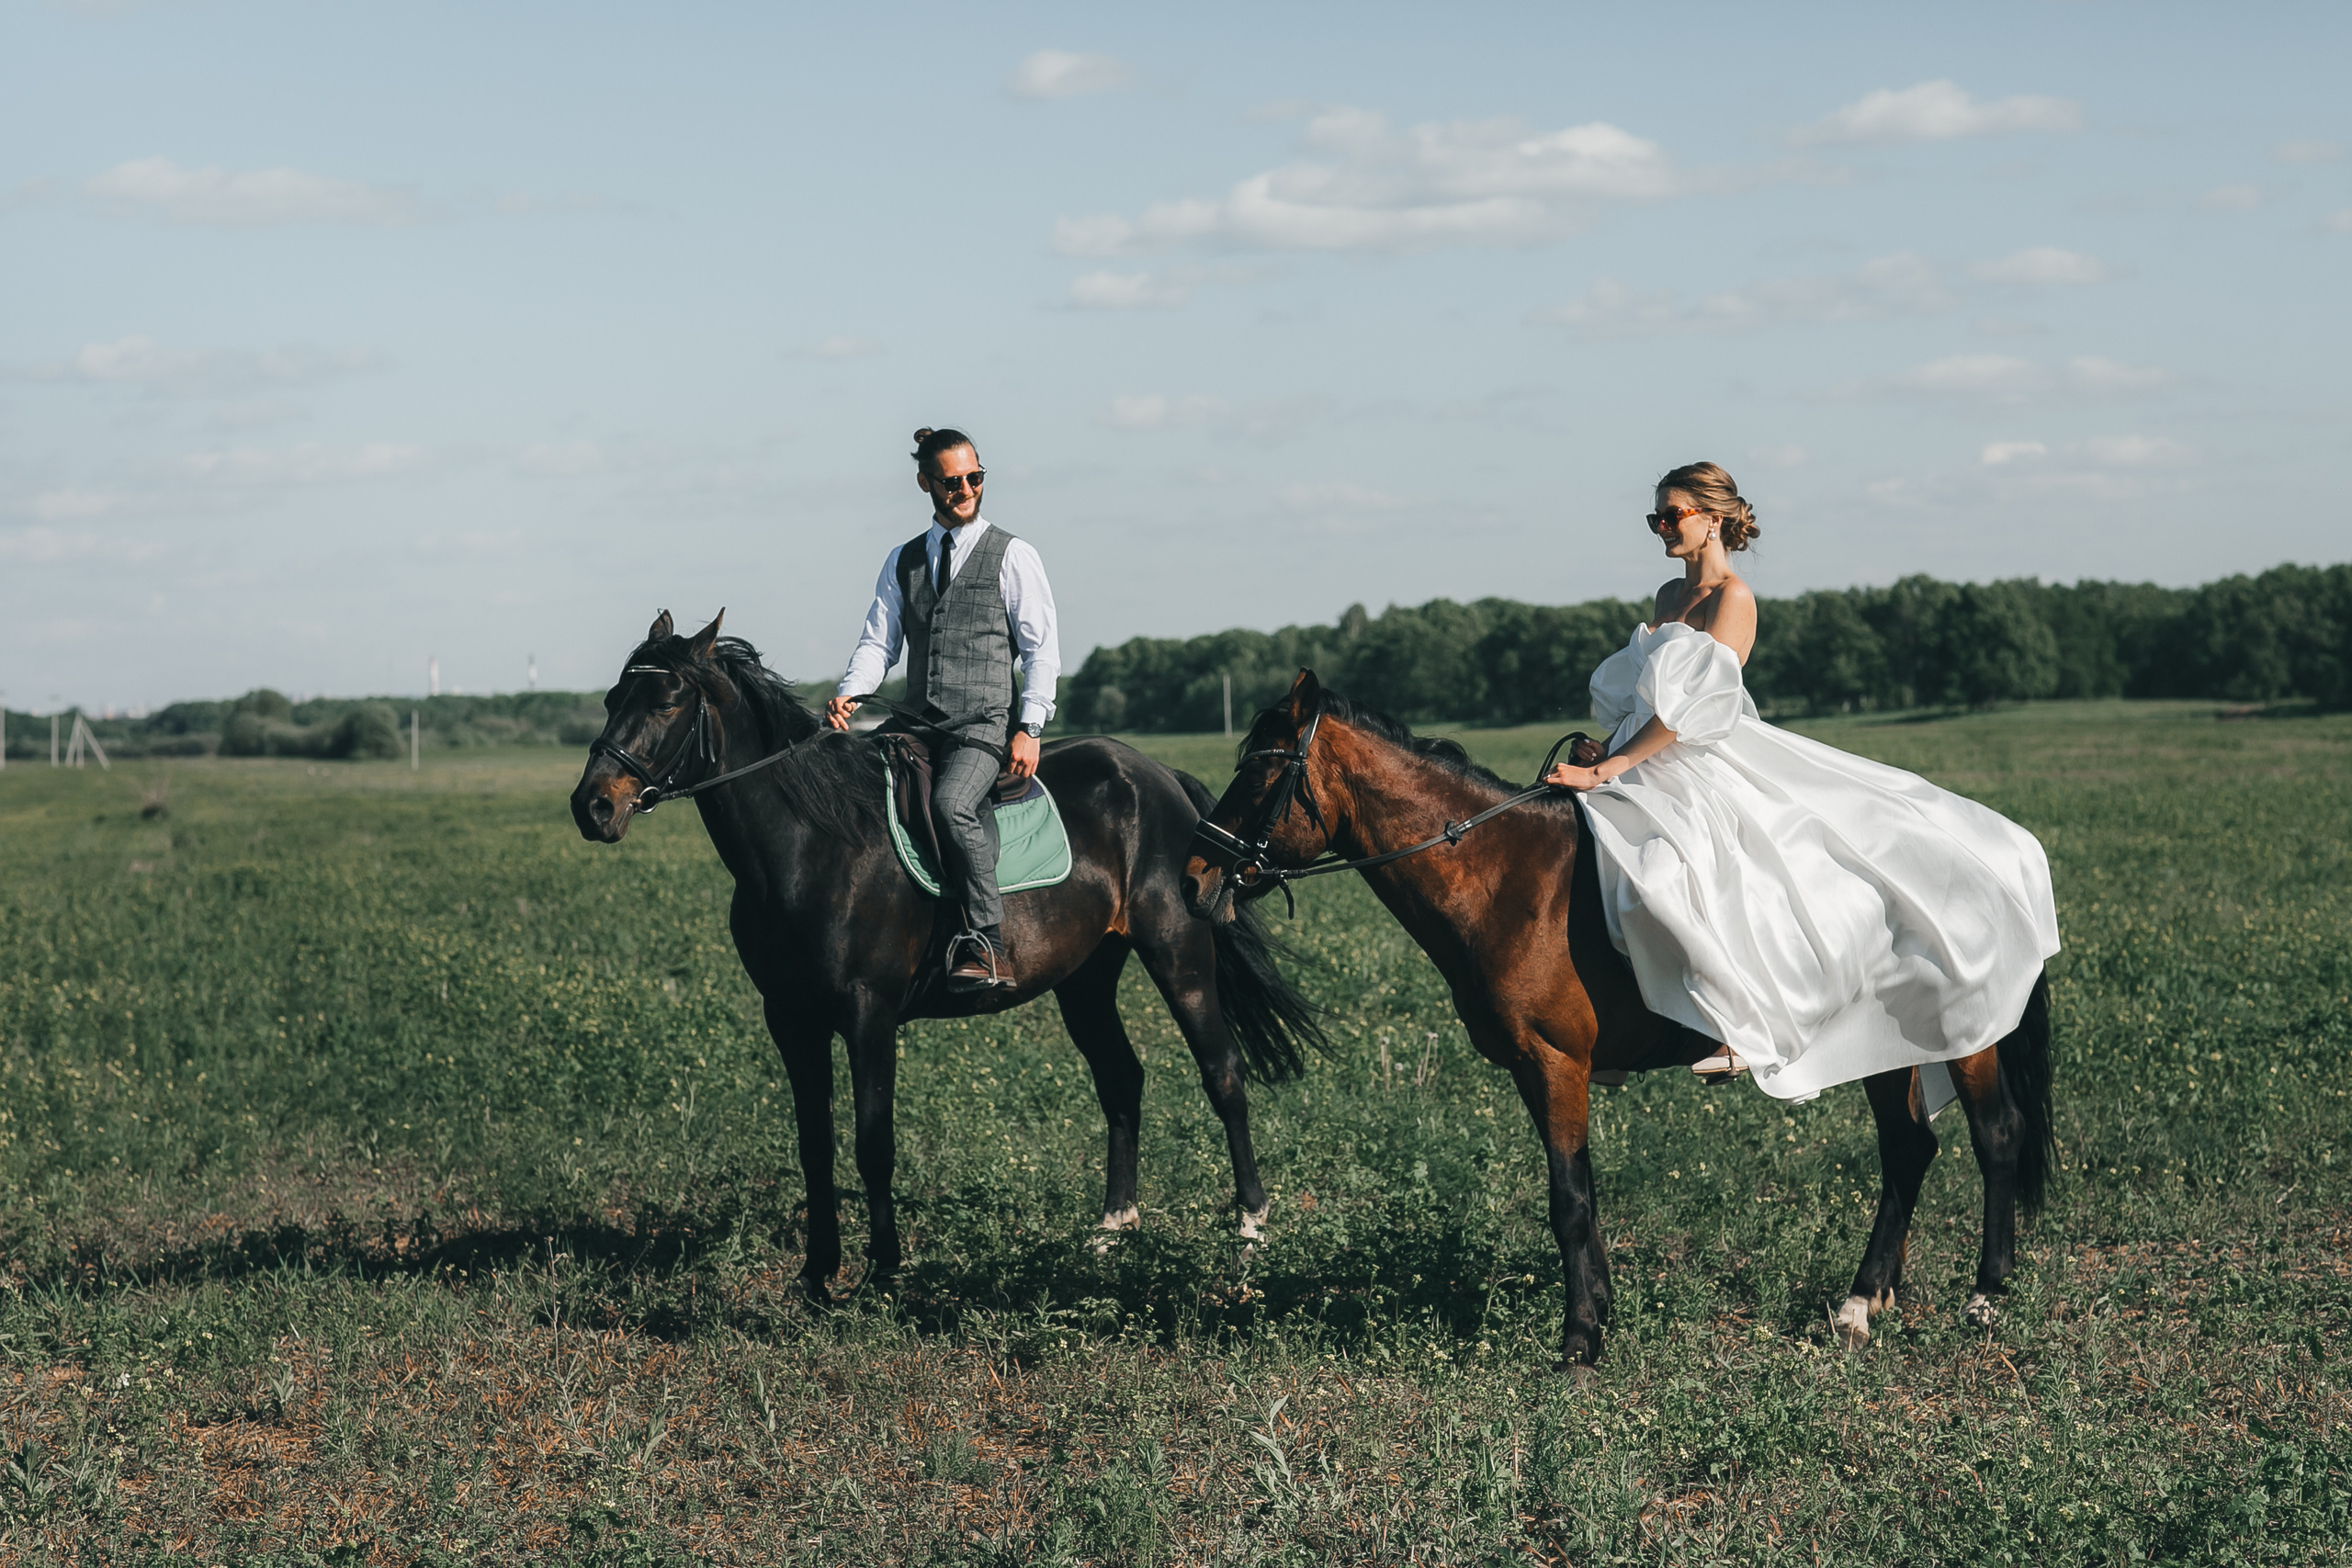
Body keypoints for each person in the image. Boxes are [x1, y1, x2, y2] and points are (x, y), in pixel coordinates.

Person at [1541, 461, 2060, 1099]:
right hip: (1641, 750)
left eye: (1671, 515)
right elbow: (1649, 697)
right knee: (1585, 864)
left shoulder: (1735, 598)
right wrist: (1611, 744)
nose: (1660, 528)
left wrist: (1613, 767)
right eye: (1655, 517)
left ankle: (1736, 1026)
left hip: (1700, 756)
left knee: (1691, 872)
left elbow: (1696, 707)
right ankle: (1618, 1027)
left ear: (1714, 519)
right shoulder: (1668, 598)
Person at [828, 427, 1061, 990]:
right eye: (953, 481)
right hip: (914, 721)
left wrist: (1029, 727)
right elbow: (879, 643)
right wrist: (850, 690)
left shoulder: (1013, 554)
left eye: (974, 478)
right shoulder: (903, 559)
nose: (966, 490)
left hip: (981, 725)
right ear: (924, 483)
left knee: (954, 803)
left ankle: (989, 942)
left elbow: (1041, 650)